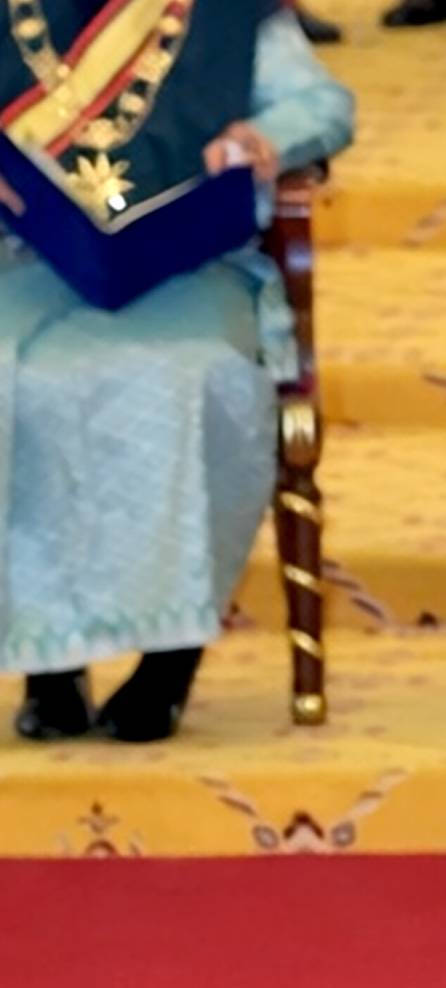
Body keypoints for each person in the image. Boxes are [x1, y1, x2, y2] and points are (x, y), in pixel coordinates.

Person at [2, 1, 354, 743]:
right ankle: (48, 666)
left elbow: (322, 103)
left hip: (189, 269)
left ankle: (169, 659)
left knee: (189, 380)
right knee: (15, 383)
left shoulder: (227, 12)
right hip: (28, 267)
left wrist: (264, 138)